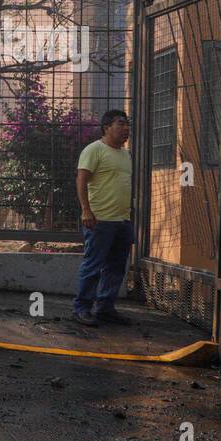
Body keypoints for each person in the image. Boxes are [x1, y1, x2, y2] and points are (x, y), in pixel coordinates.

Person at [73, 110, 133, 327]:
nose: (126, 128)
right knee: (93, 265)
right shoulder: (94, 150)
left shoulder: (126, 154)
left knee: (117, 266)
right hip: (99, 220)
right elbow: (81, 180)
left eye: (127, 125)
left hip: (122, 220)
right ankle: (81, 308)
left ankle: (105, 308)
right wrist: (86, 211)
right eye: (120, 124)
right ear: (106, 127)